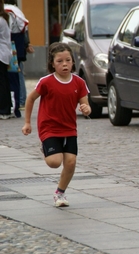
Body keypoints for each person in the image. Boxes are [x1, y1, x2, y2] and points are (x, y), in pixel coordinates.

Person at [22, 42, 91, 207]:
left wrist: (86, 108)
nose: (64, 64)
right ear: (52, 64)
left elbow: (85, 105)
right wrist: (27, 123)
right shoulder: (46, 82)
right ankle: (45, 147)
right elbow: (31, 98)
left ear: (73, 62)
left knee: (71, 163)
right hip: (49, 128)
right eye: (60, 61)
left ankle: (60, 193)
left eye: (68, 60)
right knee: (54, 162)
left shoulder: (79, 82)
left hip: (69, 129)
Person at [4, 0, 33, 114]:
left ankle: (19, 101)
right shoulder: (17, 11)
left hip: (11, 44)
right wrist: (27, 44)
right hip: (18, 44)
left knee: (14, 74)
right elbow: (26, 29)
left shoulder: (8, 11)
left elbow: (8, 30)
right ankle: (21, 100)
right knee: (19, 72)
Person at [0, 0, 12, 120]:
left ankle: (4, 110)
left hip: (1, 54)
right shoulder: (3, 19)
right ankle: (6, 108)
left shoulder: (0, 20)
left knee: (2, 84)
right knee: (4, 83)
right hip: (4, 54)